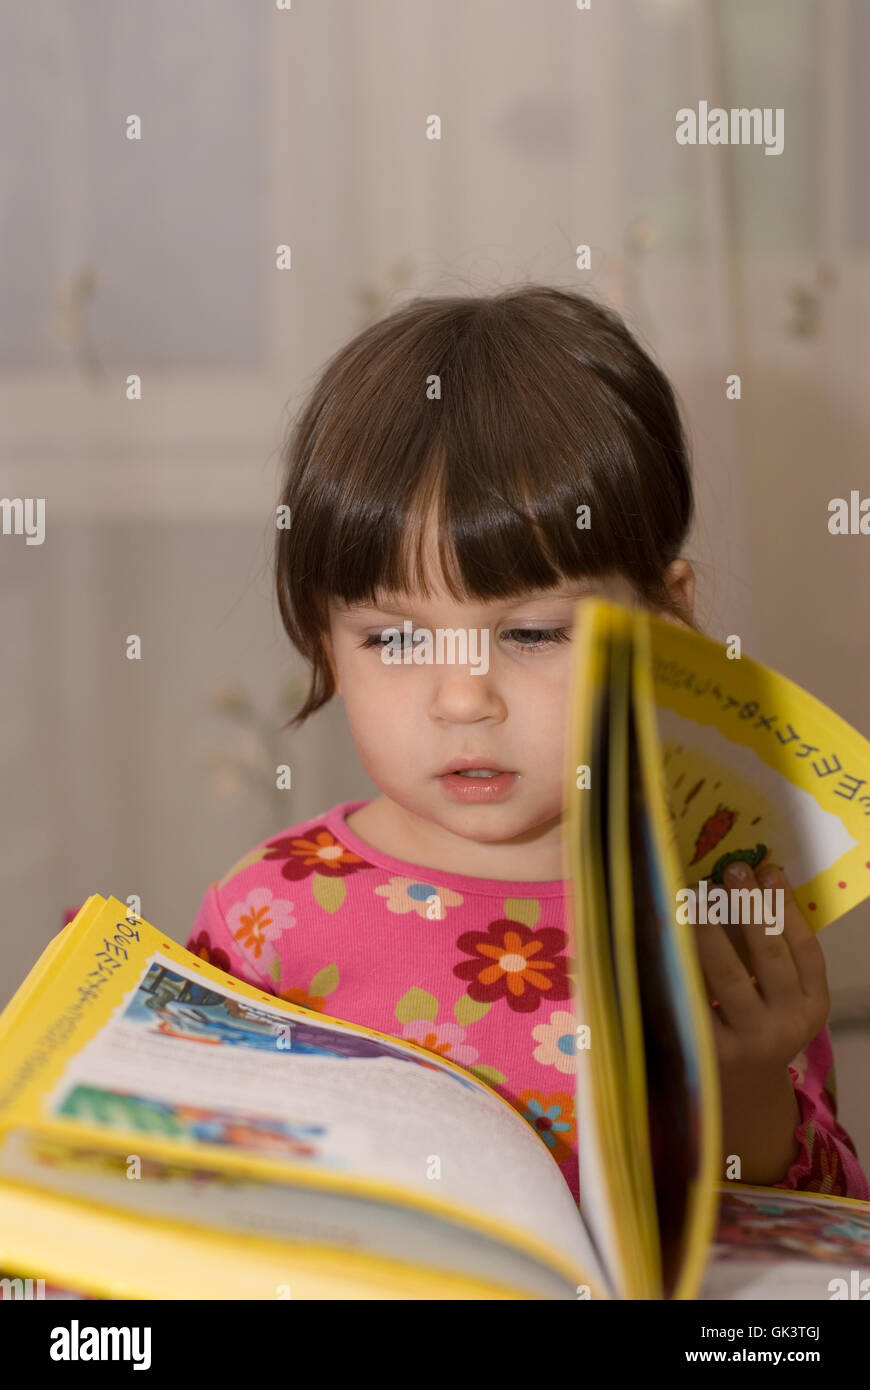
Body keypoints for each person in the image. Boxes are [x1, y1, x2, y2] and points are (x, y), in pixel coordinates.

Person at [186, 286, 868, 1205]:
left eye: (535, 634)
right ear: (323, 642)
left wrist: (748, 1083)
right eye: (394, 639)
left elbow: (821, 1231)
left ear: (665, 626)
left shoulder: (715, 915)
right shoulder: (264, 916)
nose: (463, 699)